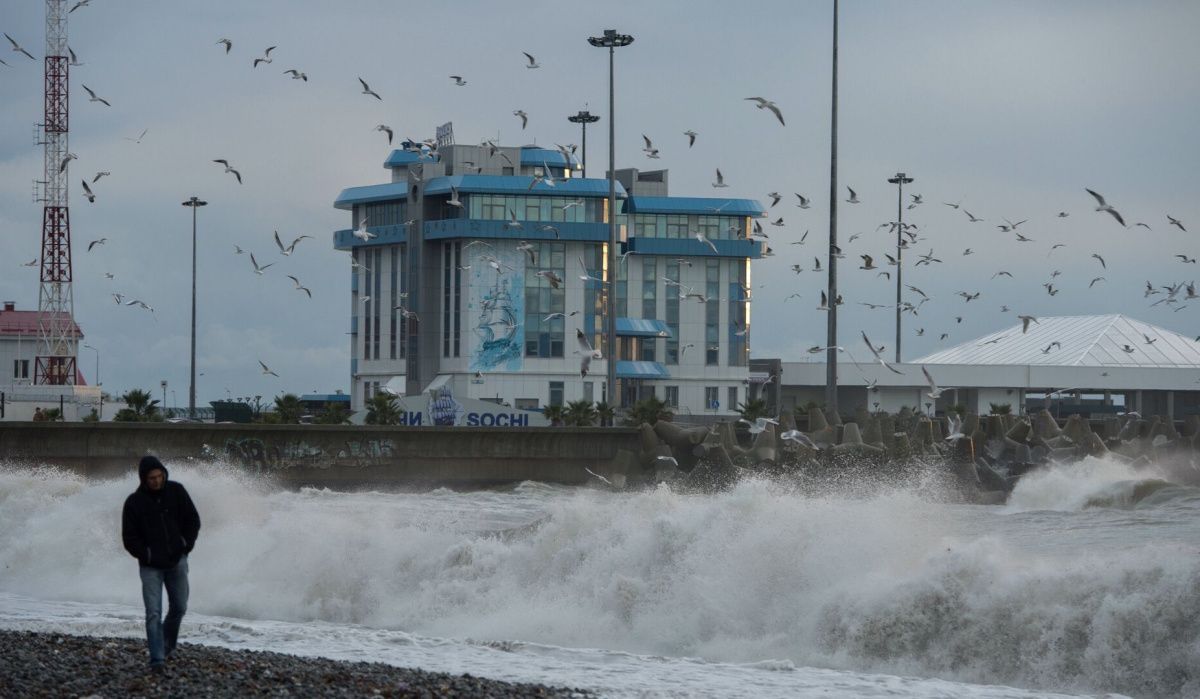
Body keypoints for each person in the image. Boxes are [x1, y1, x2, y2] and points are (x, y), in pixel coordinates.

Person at [121, 455, 200, 670]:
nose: (156, 481)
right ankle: (157, 658)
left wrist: (185, 544)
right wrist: (146, 555)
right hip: (150, 566)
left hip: (177, 561)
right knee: (153, 612)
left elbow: (193, 520)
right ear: (143, 479)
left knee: (179, 607)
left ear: (164, 474)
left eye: (159, 476)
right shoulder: (134, 502)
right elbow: (129, 538)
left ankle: (166, 645)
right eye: (151, 478)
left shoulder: (177, 491)